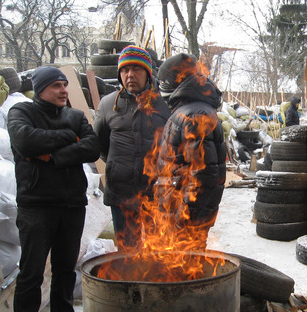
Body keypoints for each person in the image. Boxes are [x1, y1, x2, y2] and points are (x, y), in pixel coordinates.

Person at [7, 66, 100, 312]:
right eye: (56, 86)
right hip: (36, 205)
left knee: (65, 271)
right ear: (40, 89)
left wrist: (53, 157)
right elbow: (26, 141)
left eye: (64, 85)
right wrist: (70, 138)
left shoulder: (75, 115)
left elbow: (92, 148)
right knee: (31, 273)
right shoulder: (21, 112)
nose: (63, 90)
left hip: (72, 205)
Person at [93, 45, 171, 250]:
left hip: (156, 191)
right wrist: (116, 165)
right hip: (121, 191)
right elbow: (100, 144)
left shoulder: (164, 104)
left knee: (158, 252)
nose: (130, 75)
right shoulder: (108, 104)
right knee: (127, 252)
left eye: (136, 69)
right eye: (125, 70)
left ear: (148, 72)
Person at [153, 52, 226, 248]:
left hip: (185, 223)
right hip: (179, 216)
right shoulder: (189, 111)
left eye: (162, 82)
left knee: (184, 275)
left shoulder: (193, 115)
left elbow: (203, 176)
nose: (160, 88)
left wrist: (182, 219)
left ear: (173, 81)